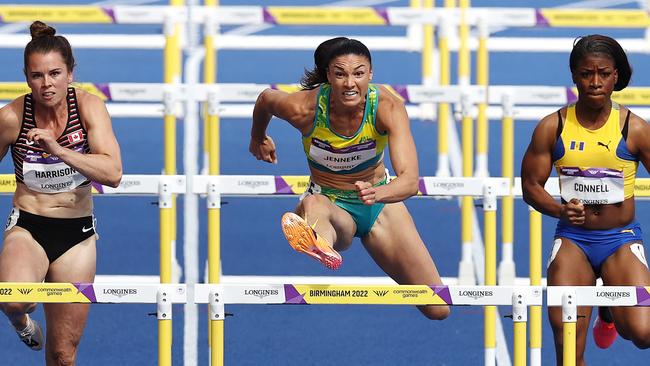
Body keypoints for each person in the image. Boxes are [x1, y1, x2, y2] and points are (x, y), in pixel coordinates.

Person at [249, 37, 449, 320]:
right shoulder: (304, 108)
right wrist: (258, 138)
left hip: (379, 203)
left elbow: (409, 181)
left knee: (437, 308)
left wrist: (377, 194)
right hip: (331, 203)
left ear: (371, 74)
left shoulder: (388, 107)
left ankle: (318, 237)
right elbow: (266, 99)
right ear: (328, 77)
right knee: (315, 204)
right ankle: (318, 241)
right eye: (340, 74)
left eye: (358, 73)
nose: (350, 83)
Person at [521, 34, 650, 365]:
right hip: (574, 240)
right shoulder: (554, 126)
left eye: (603, 74)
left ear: (615, 76)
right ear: (574, 75)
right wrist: (559, 210)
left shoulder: (634, 129)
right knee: (567, 345)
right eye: (586, 74)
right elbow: (531, 185)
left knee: (643, 333)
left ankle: (608, 312)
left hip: (619, 240)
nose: (595, 83)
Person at [0, 21, 122, 365]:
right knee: (12, 299)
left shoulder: (89, 108)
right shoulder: (11, 117)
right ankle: (21, 322)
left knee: (63, 354)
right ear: (26, 77)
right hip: (28, 226)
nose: (46, 83)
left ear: (70, 73)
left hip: (77, 234)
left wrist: (60, 150)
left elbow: (113, 173)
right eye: (37, 75)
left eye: (55, 73)